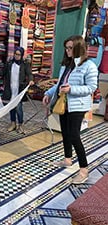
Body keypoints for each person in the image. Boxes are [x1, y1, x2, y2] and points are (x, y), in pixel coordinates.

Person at [42, 35, 98, 184]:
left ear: (78, 48)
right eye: (66, 48)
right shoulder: (66, 65)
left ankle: (84, 170)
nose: (67, 51)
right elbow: (60, 84)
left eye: (70, 48)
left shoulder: (89, 66)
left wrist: (72, 89)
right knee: (66, 133)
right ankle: (68, 159)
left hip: (77, 106)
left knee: (74, 135)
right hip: (64, 104)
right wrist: (48, 94)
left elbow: (91, 87)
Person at [2, 46, 34, 134]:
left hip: (19, 90)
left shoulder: (25, 65)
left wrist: (31, 80)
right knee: (11, 107)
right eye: (15, 54)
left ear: (22, 55)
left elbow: (29, 74)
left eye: (19, 54)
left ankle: (20, 124)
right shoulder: (10, 64)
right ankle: (13, 123)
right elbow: (3, 73)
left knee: (19, 108)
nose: (16, 56)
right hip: (11, 89)